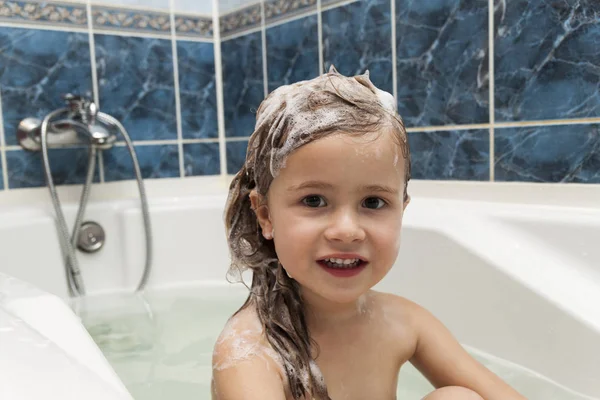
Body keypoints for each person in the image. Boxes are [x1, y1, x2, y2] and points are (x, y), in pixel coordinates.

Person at [212, 66, 526, 400]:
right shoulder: (249, 353)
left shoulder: (402, 322)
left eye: (373, 202)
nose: (347, 231)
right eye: (314, 200)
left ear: (402, 210)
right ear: (265, 215)